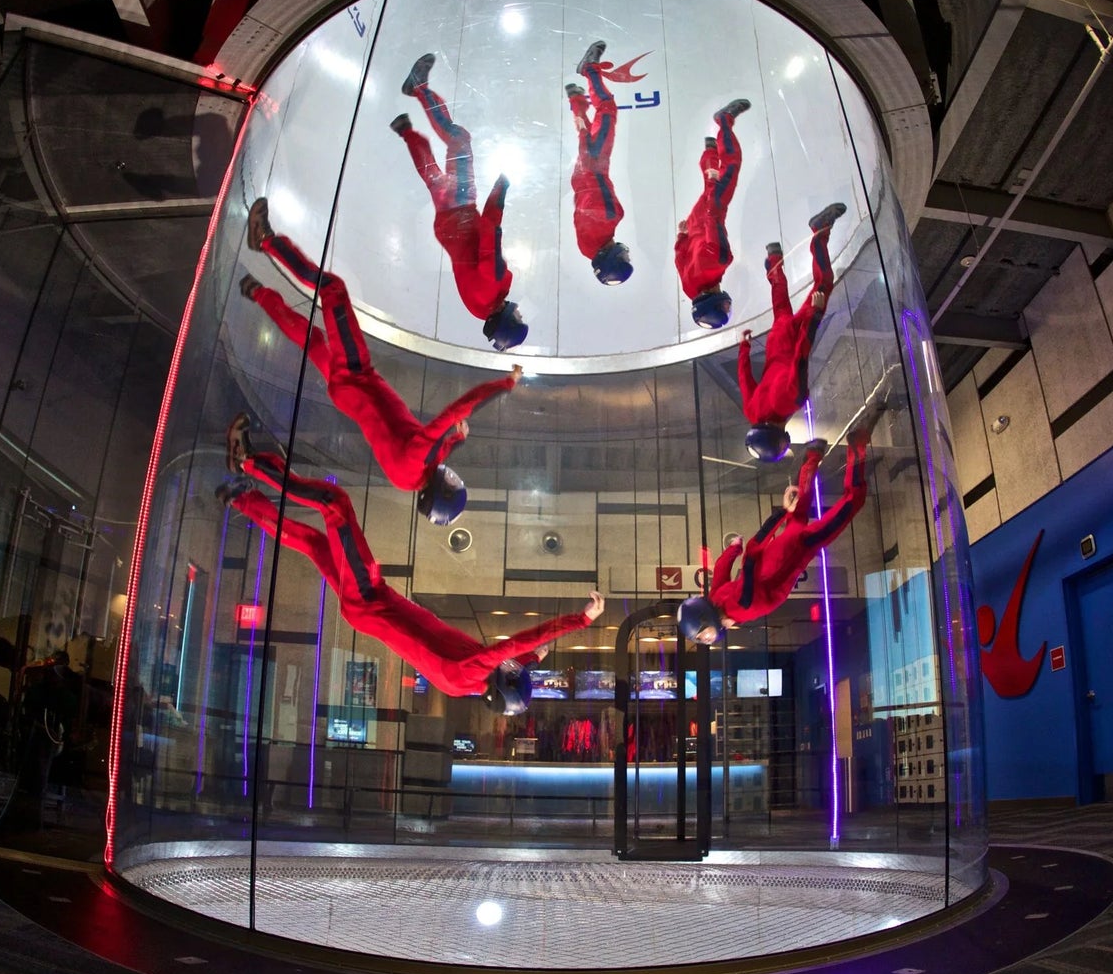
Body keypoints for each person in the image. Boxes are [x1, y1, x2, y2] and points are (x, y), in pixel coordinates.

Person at [219, 443, 604, 712]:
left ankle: (249, 461)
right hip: (370, 607)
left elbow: (514, 645)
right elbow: (513, 656)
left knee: (335, 505)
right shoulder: (467, 682)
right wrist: (531, 659)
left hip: (370, 598)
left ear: (501, 681)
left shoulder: (474, 670)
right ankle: (241, 499)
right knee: (316, 543)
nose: (510, 666)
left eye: (511, 673)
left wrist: (581, 620)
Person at [237, 198, 519, 524]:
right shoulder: (411, 477)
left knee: (333, 289)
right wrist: (457, 439)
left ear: (441, 489)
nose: (454, 476)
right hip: (347, 394)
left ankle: (267, 241)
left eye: (453, 483)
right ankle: (256, 292)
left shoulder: (419, 458)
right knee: (312, 339)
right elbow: (437, 452)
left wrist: (504, 385)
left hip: (355, 376)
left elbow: (456, 411)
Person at [391, 53, 527, 351]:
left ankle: (419, 89)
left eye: (518, 317)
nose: (519, 312)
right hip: (447, 225)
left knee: (459, 139)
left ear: (506, 321)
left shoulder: (493, 285)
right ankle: (406, 131)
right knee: (433, 176)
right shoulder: (478, 308)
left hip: (463, 208)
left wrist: (502, 186)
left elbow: (491, 226)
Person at [677, 434, 868, 642]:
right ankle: (813, 454)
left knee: (852, 502)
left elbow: (750, 561)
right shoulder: (717, 599)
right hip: (780, 549)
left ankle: (856, 446)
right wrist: (735, 547)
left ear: (705, 618)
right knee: (798, 514)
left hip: (795, 552)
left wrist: (780, 514)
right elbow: (726, 566)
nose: (708, 637)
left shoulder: (743, 607)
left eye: (704, 633)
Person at [735, 203, 848, 461]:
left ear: (780, 438)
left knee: (824, 283)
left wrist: (816, 314)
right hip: (775, 341)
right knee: (781, 307)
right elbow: (744, 378)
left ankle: (820, 233)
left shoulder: (791, 402)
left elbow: (802, 354)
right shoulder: (753, 413)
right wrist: (744, 347)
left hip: (792, 338)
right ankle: (774, 261)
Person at [567, 40, 648, 285]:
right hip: (584, 171)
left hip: (595, 165)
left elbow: (596, 185)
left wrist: (588, 155)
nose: (625, 254)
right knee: (588, 129)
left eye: (624, 259)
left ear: (613, 258)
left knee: (607, 109)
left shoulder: (608, 219)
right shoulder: (587, 246)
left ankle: (589, 70)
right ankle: (577, 100)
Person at [674, 96, 751, 329]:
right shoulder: (689, 289)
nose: (729, 307)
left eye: (724, 308)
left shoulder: (720, 260)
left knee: (732, 166)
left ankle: (724, 121)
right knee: (710, 186)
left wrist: (714, 202)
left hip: (710, 213)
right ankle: (709, 151)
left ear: (716, 303)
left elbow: (714, 219)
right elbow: (680, 259)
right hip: (694, 222)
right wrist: (682, 236)